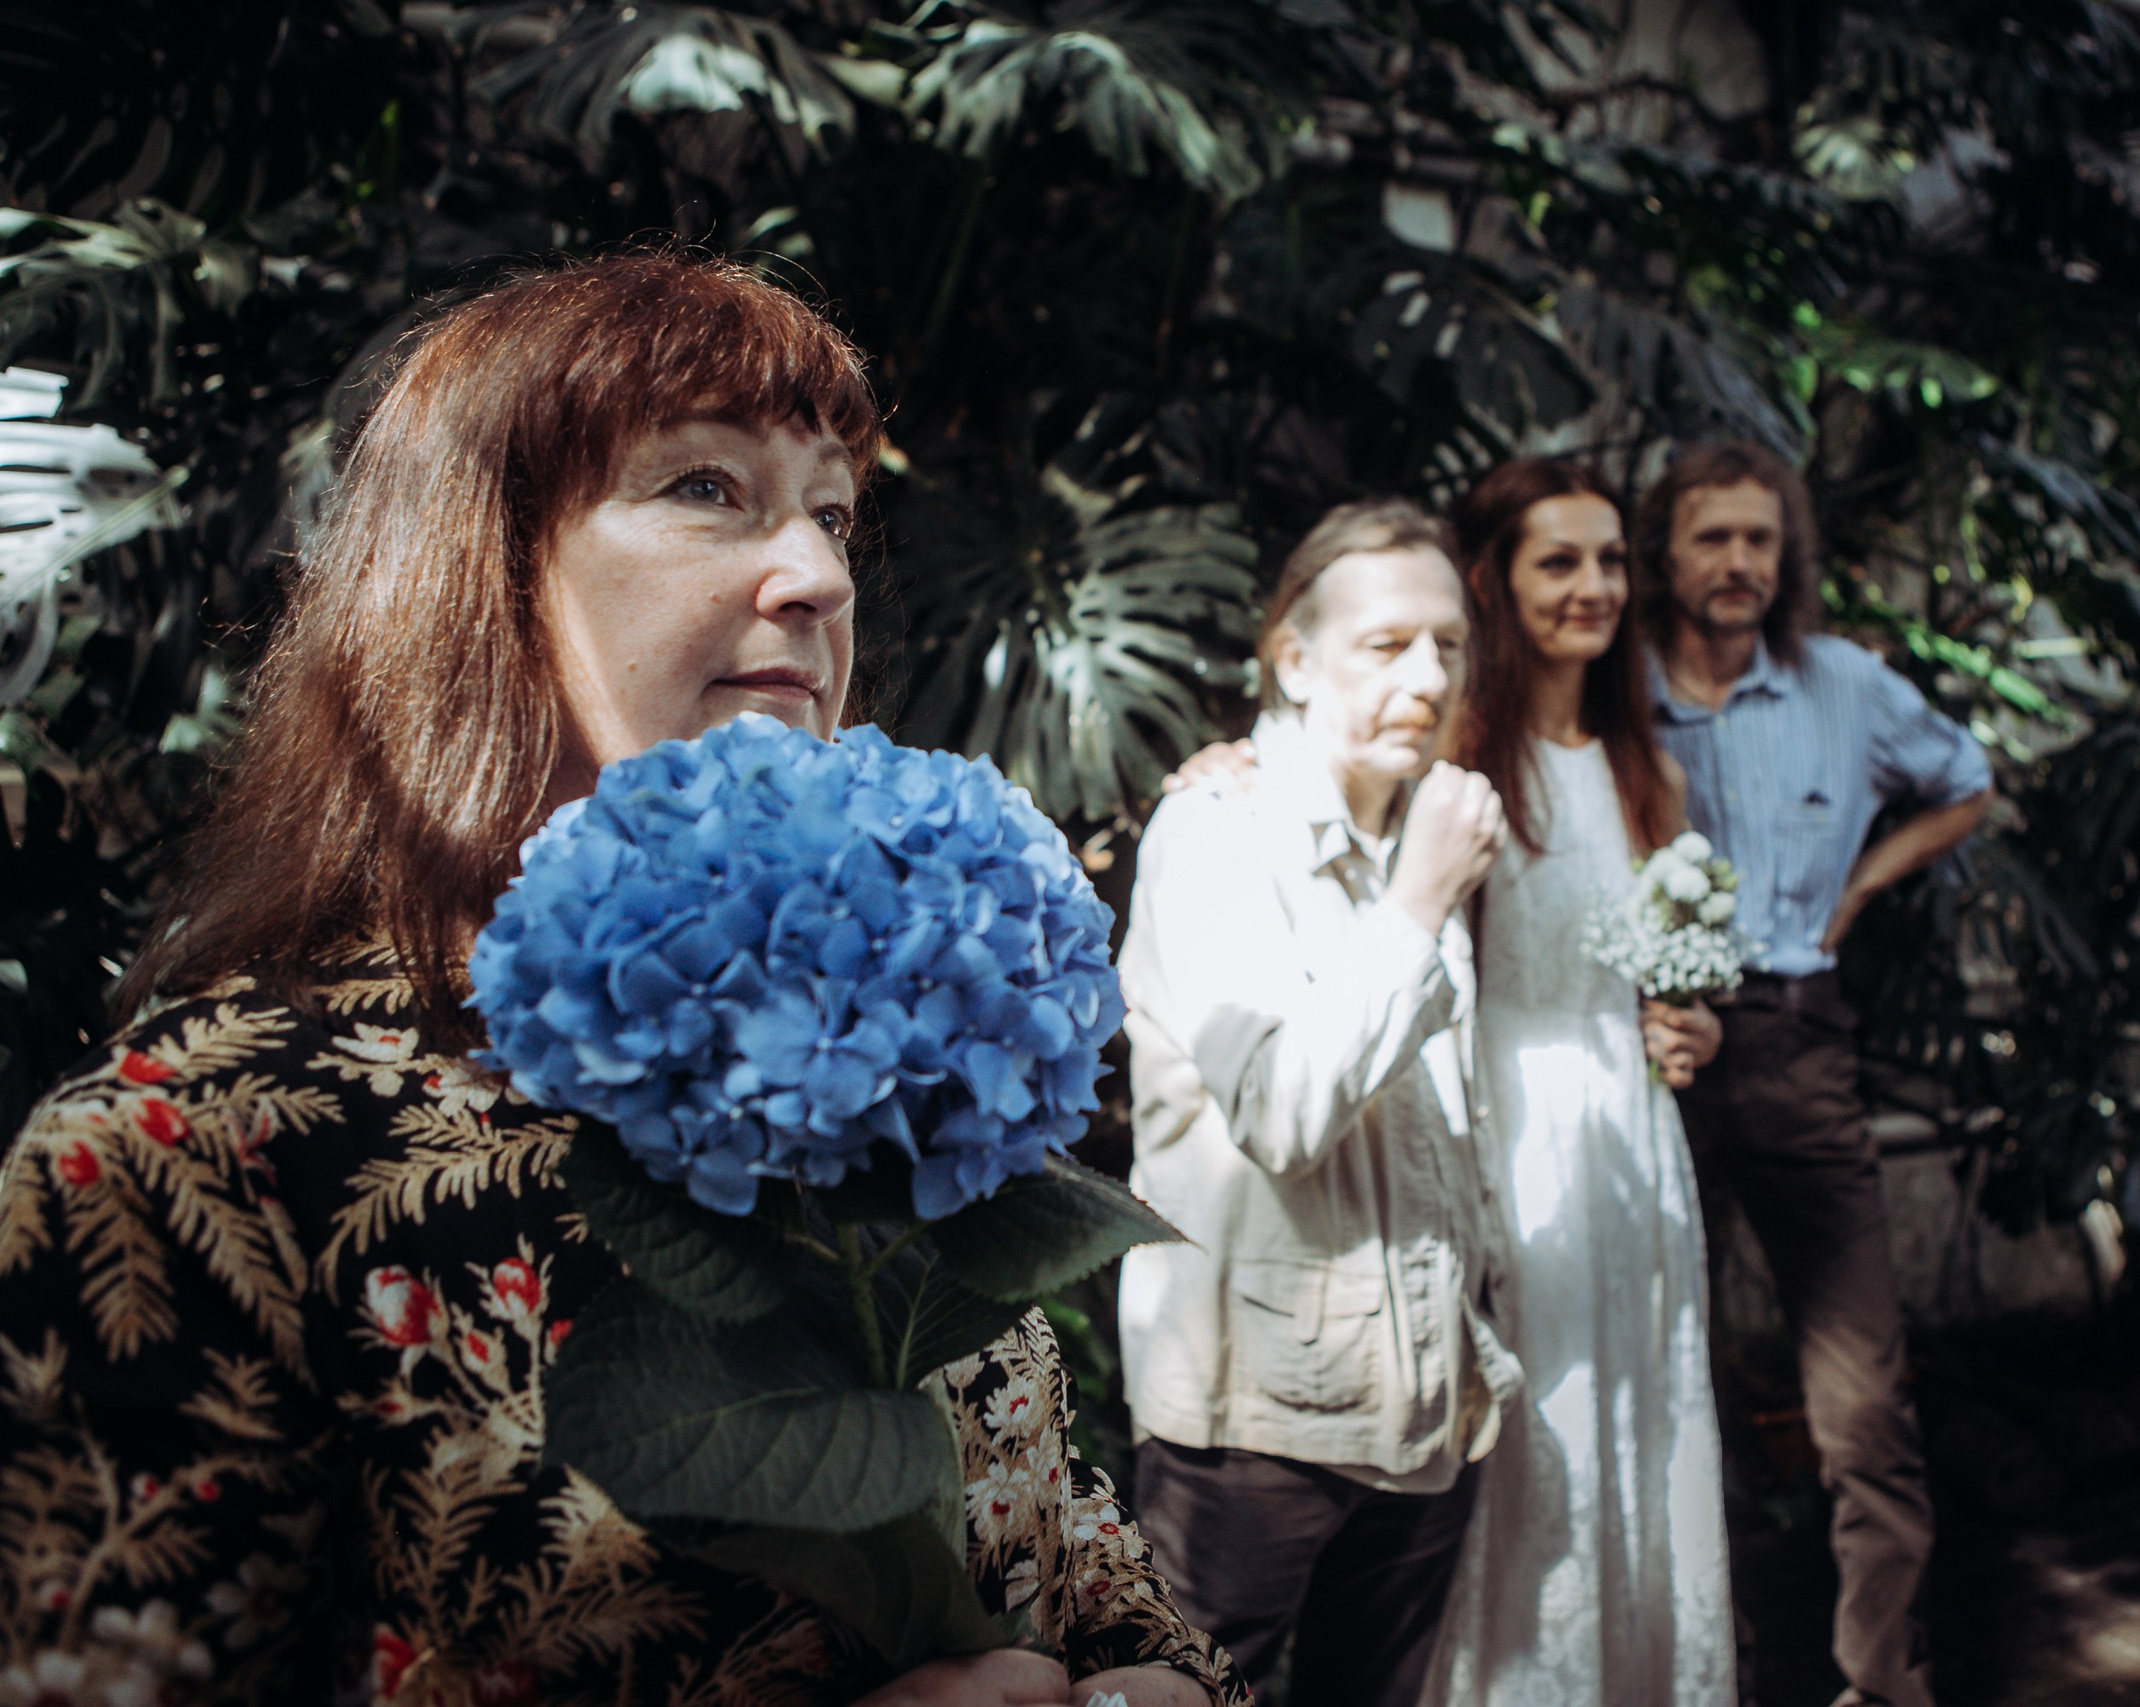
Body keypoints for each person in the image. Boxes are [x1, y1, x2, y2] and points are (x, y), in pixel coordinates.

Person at [0, 255, 1239, 1707]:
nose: (823, 575)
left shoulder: (893, 1063)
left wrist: (1147, 1684)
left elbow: (1076, 1559)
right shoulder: (191, 1147)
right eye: (707, 485)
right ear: (480, 569)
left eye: (832, 510)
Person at [1115, 499, 1521, 1707]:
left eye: (1446, 645)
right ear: (1292, 660)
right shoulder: (1215, 833)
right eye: (1386, 644)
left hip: (1427, 1399)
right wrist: (1416, 909)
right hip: (1257, 1421)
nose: (1428, 676)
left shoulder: (1419, 823)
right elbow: (1280, 1114)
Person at [1633, 441, 1993, 1707]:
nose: (1737, 562)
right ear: (1665, 552)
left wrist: (1859, 890)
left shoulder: (1846, 684)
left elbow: (1966, 783)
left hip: (1798, 1045)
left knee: (1861, 1400)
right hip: (1650, 1060)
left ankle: (1884, 1684)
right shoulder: (1618, 689)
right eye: (1711, 537)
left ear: (1785, 555)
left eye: (1758, 539)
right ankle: (1701, 1673)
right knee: (1662, 1382)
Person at [1420, 459, 1738, 1707]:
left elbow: (1661, 974)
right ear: (1492, 580)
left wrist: (1693, 1026)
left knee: (1647, 1407)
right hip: (1512, 1122)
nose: (1594, 586)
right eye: (1559, 561)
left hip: (1634, 1131)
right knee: (1543, 1425)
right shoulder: (1455, 755)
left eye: (1610, 560)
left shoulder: (1641, 765)